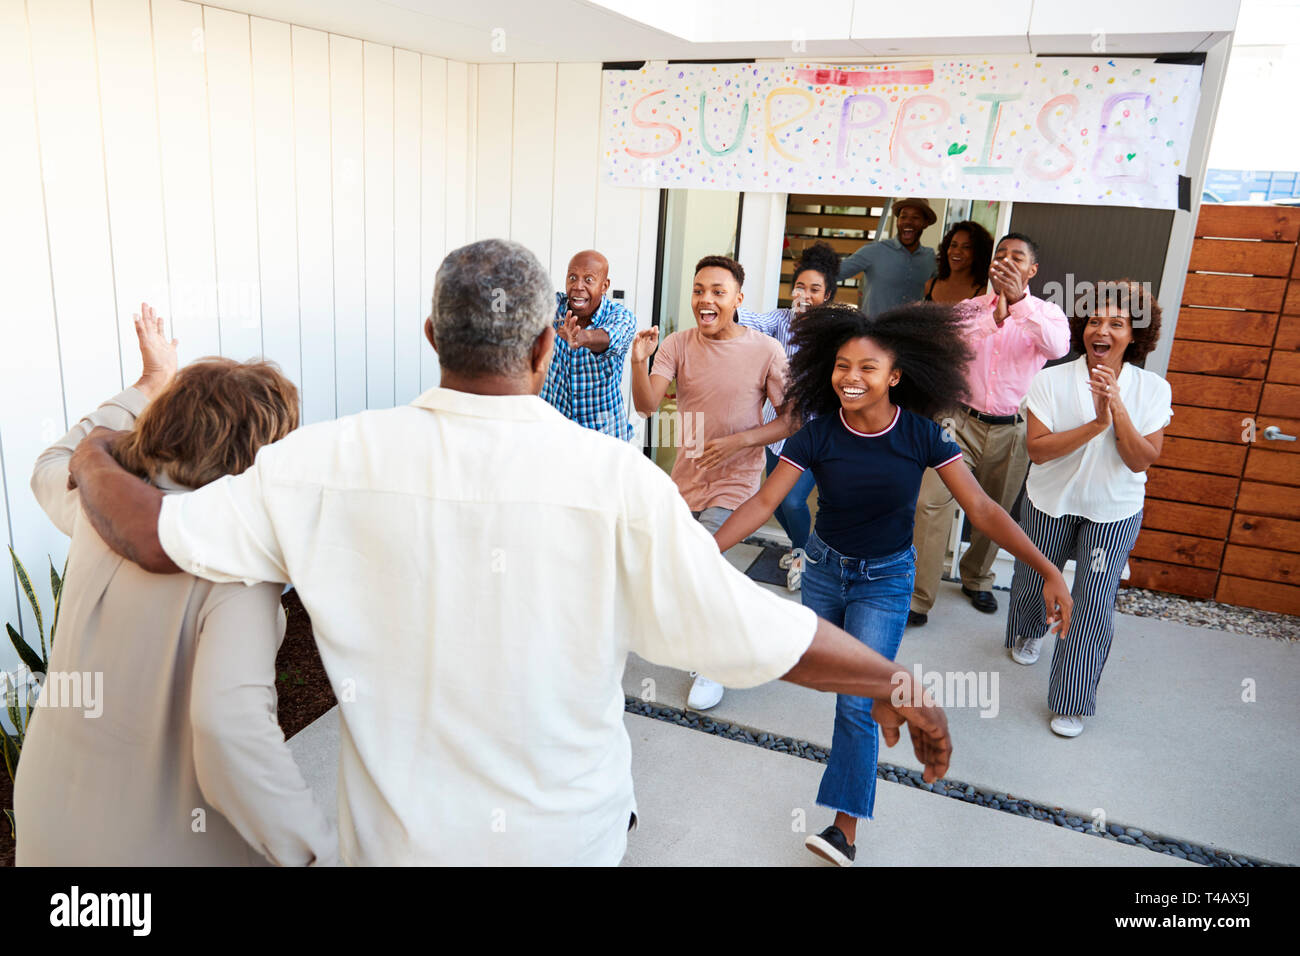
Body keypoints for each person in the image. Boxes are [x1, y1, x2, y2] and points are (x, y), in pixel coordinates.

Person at [66, 240, 953, 866]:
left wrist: (89, 453)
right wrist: (896, 683)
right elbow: (762, 633)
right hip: (567, 844)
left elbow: (150, 532)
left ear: (430, 337)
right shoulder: (615, 482)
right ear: (541, 347)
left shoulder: (320, 464)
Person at [714, 303, 1072, 867]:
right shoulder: (818, 433)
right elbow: (762, 500)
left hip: (884, 580)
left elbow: (980, 507)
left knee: (853, 702)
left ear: (896, 376)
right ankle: (884, 697)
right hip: (825, 573)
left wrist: (1049, 569)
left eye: (867, 368)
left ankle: (843, 830)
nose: (850, 378)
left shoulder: (923, 436)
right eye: (840, 366)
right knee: (841, 686)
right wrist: (703, 554)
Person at [17, 305, 334, 866]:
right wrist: (318, 852)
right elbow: (228, 732)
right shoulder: (237, 568)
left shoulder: (98, 505)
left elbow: (53, 461)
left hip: (48, 819)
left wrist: (148, 383)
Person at [630, 254, 795, 711]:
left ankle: (713, 665)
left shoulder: (766, 350)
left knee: (703, 563)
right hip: (685, 480)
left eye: (718, 292)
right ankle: (746, 632)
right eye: (699, 290)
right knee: (691, 570)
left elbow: (792, 420)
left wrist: (738, 442)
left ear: (738, 300)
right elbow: (646, 406)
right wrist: (637, 361)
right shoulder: (678, 345)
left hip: (737, 482)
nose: (705, 299)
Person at [1006, 280, 1170, 738]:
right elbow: (1038, 451)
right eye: (1095, 321)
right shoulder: (1051, 379)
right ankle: (1027, 630)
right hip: (1050, 503)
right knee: (1035, 578)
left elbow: (1140, 458)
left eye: (1117, 323)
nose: (1103, 329)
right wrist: (1095, 422)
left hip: (1113, 511)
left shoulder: (1153, 390)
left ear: (1135, 335)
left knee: (1094, 602)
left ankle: (1072, 697)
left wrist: (1115, 407)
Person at [909, 232, 1070, 626]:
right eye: (1002, 255)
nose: (1008, 262)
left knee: (995, 508)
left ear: (1032, 270)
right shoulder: (970, 309)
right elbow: (949, 344)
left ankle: (977, 577)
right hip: (958, 420)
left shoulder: (1046, 314)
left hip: (1013, 429)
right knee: (928, 502)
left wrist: (1018, 307)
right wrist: (995, 316)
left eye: (1018, 257)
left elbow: (1058, 347)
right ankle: (917, 597)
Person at [738, 241, 843, 590]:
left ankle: (803, 553)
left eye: (815, 289)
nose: (805, 294)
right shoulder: (780, 319)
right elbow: (747, 319)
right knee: (778, 501)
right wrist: (723, 304)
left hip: (818, 431)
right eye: (800, 286)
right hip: (777, 427)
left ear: (827, 295)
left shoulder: (835, 330)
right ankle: (803, 549)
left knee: (794, 498)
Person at [539, 249, 638, 441]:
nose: (578, 286)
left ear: (604, 285)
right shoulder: (552, 306)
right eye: (572, 277)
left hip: (604, 438)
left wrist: (581, 338)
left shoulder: (620, 316)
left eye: (589, 280)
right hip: (555, 435)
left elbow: (610, 338)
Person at [837, 197, 938, 316]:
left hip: (909, 332)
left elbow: (944, 286)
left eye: (915, 217)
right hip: (874, 331)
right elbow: (834, 273)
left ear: (925, 223)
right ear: (897, 221)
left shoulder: (929, 257)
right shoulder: (874, 251)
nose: (908, 221)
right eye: (903, 217)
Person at [923, 220, 994, 304]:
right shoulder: (930, 286)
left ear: (978, 253)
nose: (957, 251)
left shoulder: (983, 293)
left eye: (966, 247)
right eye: (954, 245)